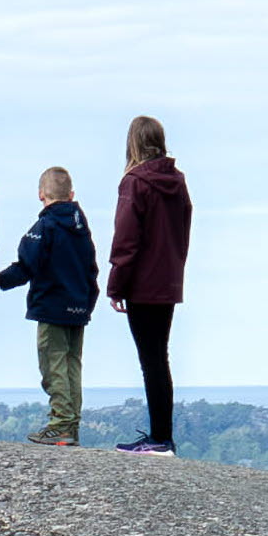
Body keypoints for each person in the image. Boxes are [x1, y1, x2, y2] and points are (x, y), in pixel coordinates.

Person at [0, 166, 99, 445]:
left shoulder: (45, 227)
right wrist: (87, 305)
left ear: (41, 194)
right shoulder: (81, 229)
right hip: (78, 308)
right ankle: (71, 424)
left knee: (53, 365)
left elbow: (27, 265)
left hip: (52, 307)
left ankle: (61, 424)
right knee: (72, 365)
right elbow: (92, 271)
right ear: (72, 194)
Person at [106, 115, 189, 456]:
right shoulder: (178, 182)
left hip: (141, 284)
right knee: (160, 359)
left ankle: (159, 439)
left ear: (133, 143)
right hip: (168, 281)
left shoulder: (134, 182)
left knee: (150, 360)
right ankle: (162, 436)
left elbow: (126, 238)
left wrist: (116, 285)